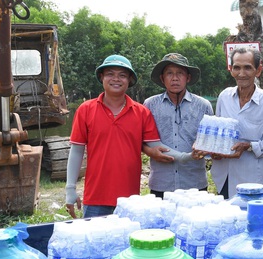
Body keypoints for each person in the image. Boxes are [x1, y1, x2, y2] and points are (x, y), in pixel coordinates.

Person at [65, 54, 161, 218]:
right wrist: (70, 189)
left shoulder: (142, 112)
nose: (116, 79)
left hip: (130, 201)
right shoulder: (85, 109)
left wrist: (188, 155)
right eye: (110, 74)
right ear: (101, 77)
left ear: (129, 80)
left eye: (122, 75)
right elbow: (76, 151)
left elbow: (156, 147)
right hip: (95, 199)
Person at [203, 47, 263, 199]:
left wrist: (249, 146)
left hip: (253, 181)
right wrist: (214, 150)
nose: (241, 73)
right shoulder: (224, 97)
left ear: (258, 70)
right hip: (224, 177)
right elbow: (219, 135)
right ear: (230, 69)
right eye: (236, 67)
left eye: (247, 67)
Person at [143, 53, 213, 196]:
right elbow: (141, 140)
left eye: (180, 73)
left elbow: (211, 141)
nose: (175, 78)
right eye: (169, 73)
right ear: (162, 78)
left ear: (188, 77)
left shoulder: (203, 106)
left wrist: (204, 149)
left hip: (194, 183)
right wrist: (150, 151)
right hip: (161, 183)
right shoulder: (149, 105)